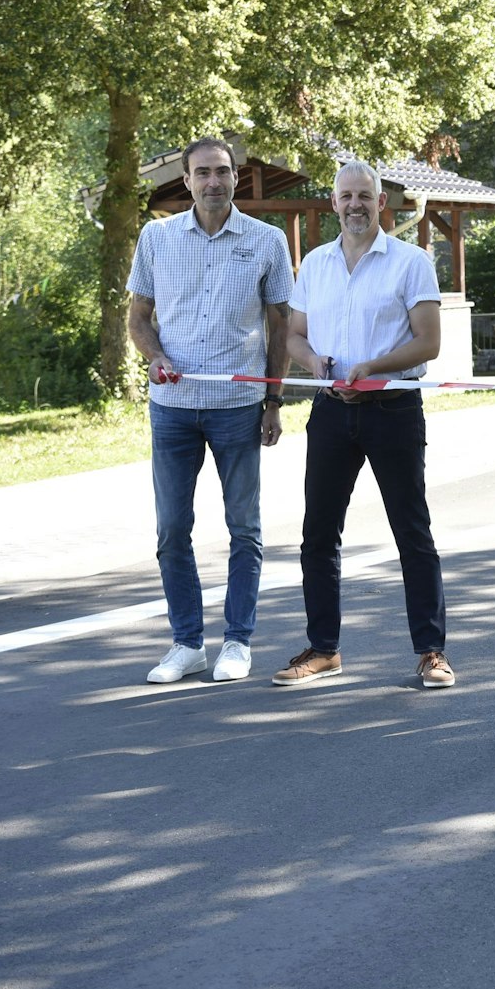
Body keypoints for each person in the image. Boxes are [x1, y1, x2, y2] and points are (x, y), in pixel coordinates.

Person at [270, 161, 454, 689]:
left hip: (392, 409)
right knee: (318, 534)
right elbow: (296, 337)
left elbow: (428, 342)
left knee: (411, 532)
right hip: (331, 410)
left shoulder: (411, 262)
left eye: (364, 197)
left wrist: (372, 368)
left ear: (381, 204)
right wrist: (317, 365)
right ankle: (324, 649)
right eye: (346, 196)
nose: (355, 205)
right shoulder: (316, 264)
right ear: (333, 203)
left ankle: (431, 651)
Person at [126, 136, 293, 685]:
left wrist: (273, 400)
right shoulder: (157, 237)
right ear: (187, 179)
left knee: (243, 528)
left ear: (235, 177)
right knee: (172, 529)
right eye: (203, 173)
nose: (213, 182)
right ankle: (186, 643)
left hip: (238, 408)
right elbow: (139, 318)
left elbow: (280, 326)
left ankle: (238, 642)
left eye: (222, 171)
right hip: (172, 409)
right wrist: (155, 357)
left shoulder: (267, 241)